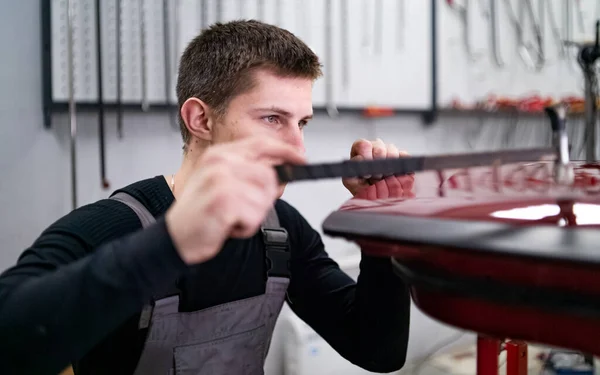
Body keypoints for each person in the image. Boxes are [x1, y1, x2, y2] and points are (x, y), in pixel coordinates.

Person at [0, 20, 414, 374]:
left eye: (301, 122)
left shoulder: (281, 230)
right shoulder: (109, 227)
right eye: (272, 118)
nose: (297, 149)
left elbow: (378, 351)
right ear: (200, 118)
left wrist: (380, 225)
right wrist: (172, 241)